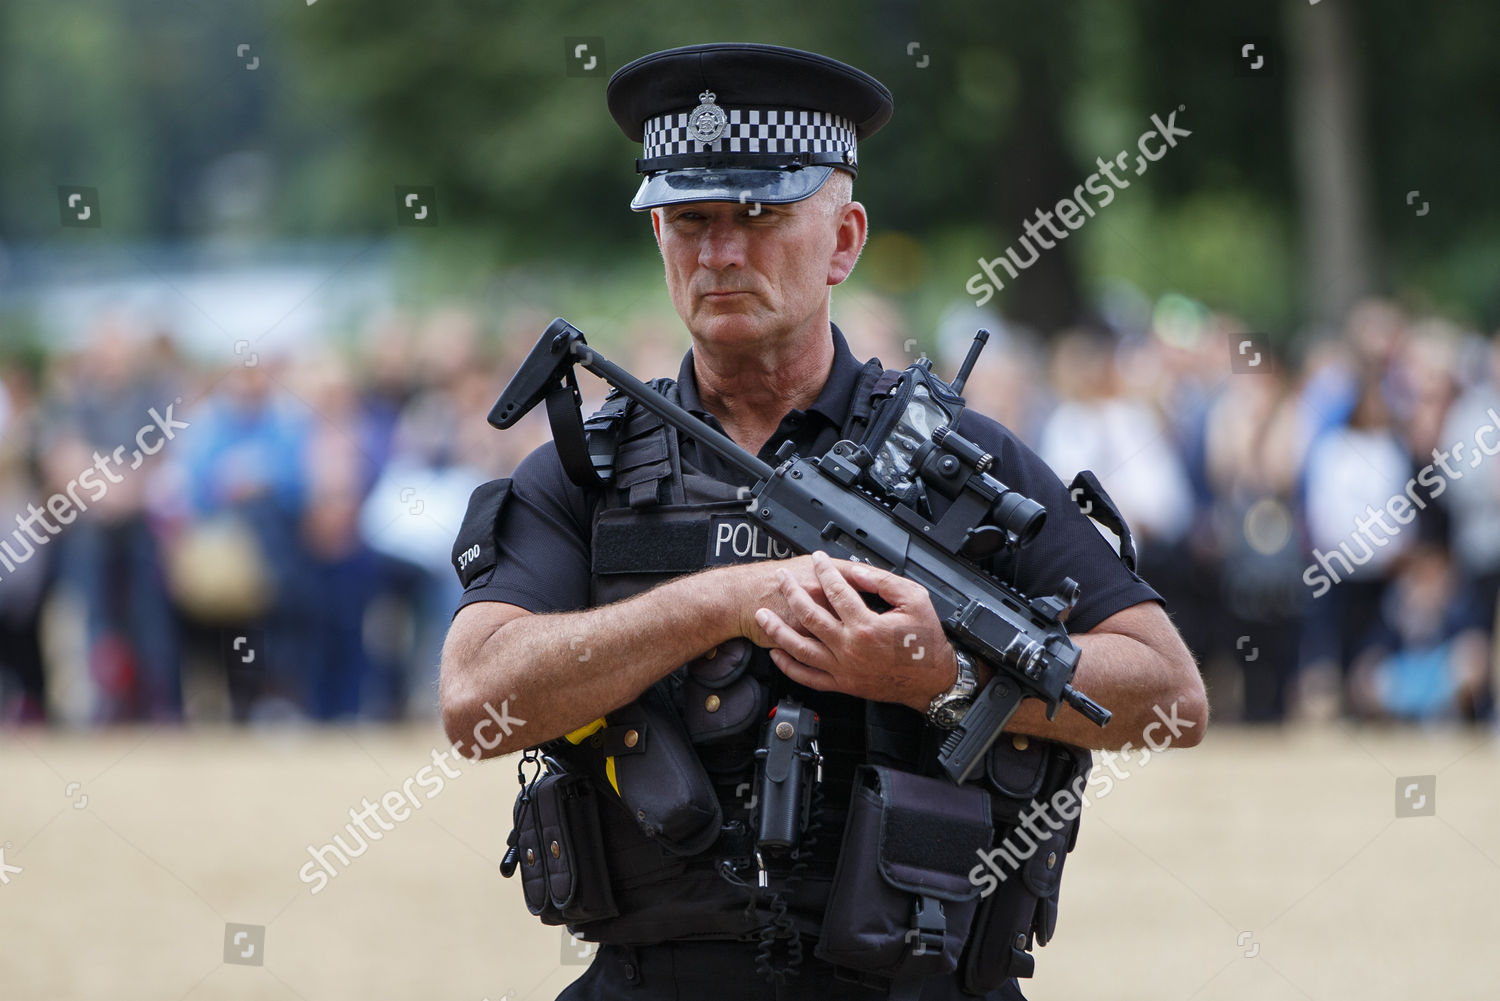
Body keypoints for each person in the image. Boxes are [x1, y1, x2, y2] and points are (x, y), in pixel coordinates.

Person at [441, 43, 1206, 1001]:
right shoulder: (585, 470)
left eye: (758, 216)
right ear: (660, 240)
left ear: (844, 240)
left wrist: (948, 676)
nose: (720, 251)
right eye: (690, 220)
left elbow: (1172, 695)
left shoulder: (964, 462)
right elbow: (475, 705)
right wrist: (727, 600)